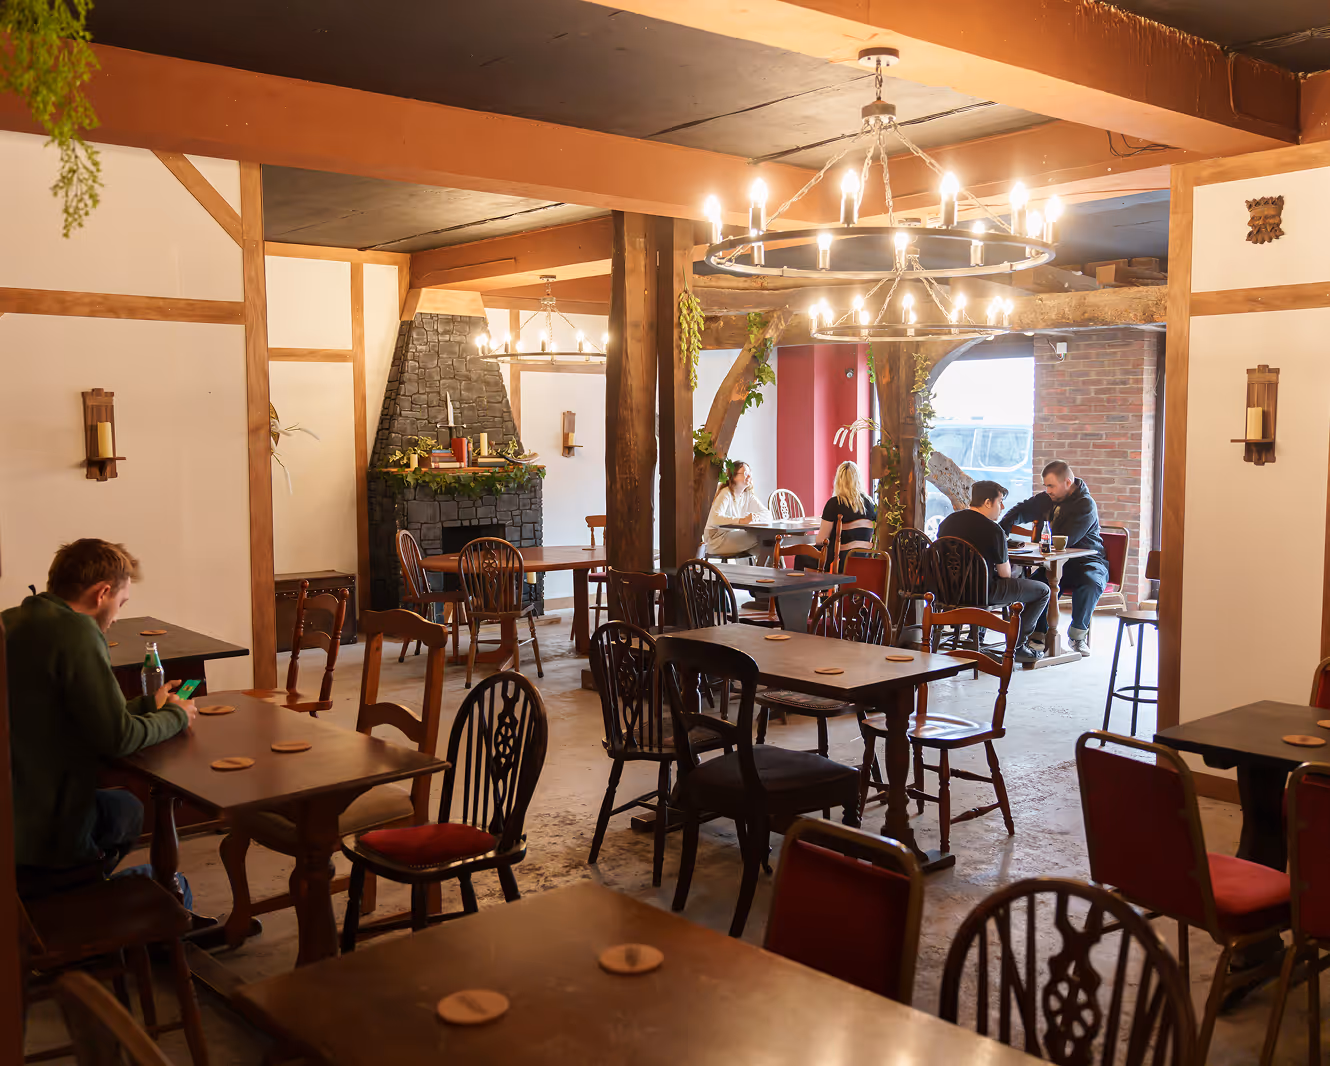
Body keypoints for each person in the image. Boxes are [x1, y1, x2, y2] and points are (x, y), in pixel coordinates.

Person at [4, 539, 198, 896]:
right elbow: (117, 738)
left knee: (119, 806)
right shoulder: (76, 631)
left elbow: (71, 712)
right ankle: (76, 894)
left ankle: (76, 888)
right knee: (126, 813)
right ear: (102, 592)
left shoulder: (16, 619)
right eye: (120, 603)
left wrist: (146, 705)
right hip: (44, 826)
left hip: (14, 809)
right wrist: (175, 715)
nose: (117, 616)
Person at [998, 460, 1110, 656]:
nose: (1047, 490)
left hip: (1088, 560)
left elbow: (1066, 539)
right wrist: (1001, 531)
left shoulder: (1086, 504)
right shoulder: (1048, 498)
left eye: (1051, 486)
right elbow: (1020, 510)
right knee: (1038, 585)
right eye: (1046, 486)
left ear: (1067, 482)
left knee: (1091, 583)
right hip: (1056, 562)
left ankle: (1077, 636)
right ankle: (1036, 636)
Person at [937, 480, 1049, 663]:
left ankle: (975, 638)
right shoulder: (993, 530)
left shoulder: (948, 522)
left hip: (948, 590)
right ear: (988, 502)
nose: (1002, 507)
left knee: (988, 579)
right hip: (983, 593)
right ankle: (1018, 647)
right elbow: (1005, 575)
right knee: (1043, 590)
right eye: (1000, 501)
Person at [809, 460, 877, 571]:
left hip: (839, 560)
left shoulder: (834, 504)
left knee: (802, 556)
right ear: (858, 480)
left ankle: (818, 587)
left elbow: (822, 540)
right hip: (864, 559)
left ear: (839, 480)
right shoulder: (870, 504)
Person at [702, 460, 772, 563]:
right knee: (761, 537)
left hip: (732, 536)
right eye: (745, 474)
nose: (749, 476)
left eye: (750, 473)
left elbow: (768, 515)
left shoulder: (747, 494)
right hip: (717, 540)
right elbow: (715, 518)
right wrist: (741, 521)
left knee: (769, 547)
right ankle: (761, 577)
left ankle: (764, 577)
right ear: (733, 476)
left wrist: (755, 518)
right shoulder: (726, 493)